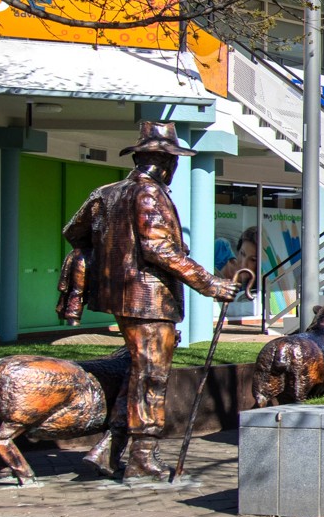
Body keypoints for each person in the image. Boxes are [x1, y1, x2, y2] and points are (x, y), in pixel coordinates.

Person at [61, 121, 242, 479]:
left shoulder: (105, 192)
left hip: (123, 298)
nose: (174, 167)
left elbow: (73, 232)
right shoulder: (150, 194)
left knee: (137, 373)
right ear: (161, 161)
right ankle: (143, 456)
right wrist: (210, 284)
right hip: (149, 300)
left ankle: (108, 448)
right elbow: (160, 249)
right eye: (172, 160)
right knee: (151, 378)